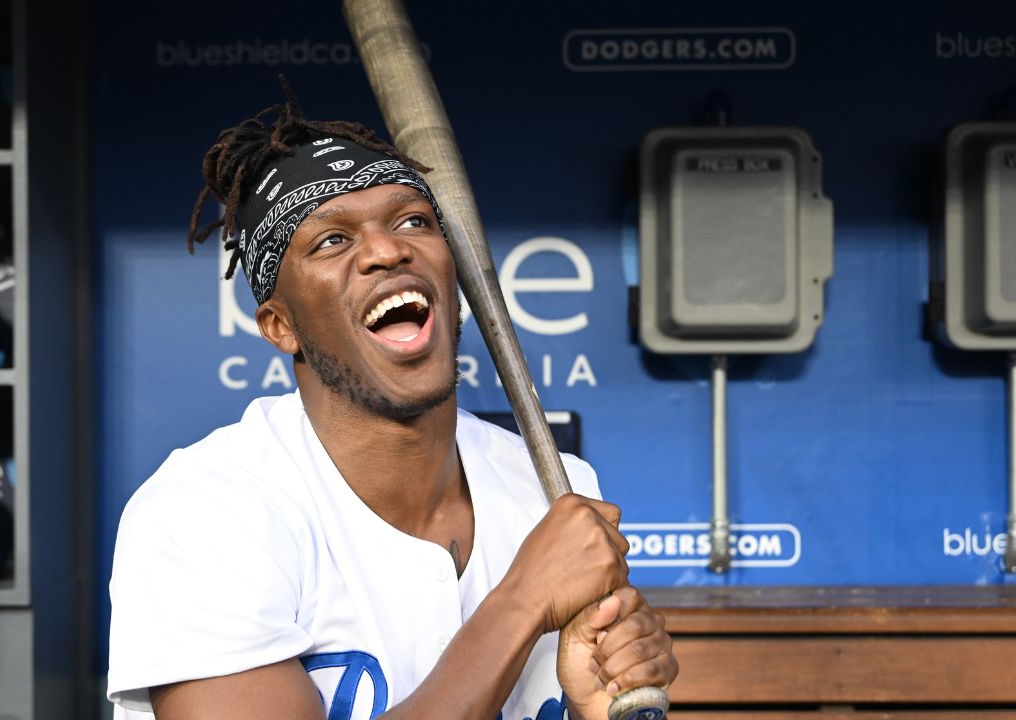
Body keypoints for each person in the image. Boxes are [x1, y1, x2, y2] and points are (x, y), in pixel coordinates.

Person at [107, 81, 678, 720]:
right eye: (332, 240)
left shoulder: (553, 489)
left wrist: (592, 709)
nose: (386, 249)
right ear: (280, 326)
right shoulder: (207, 511)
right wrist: (521, 602)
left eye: (413, 220)